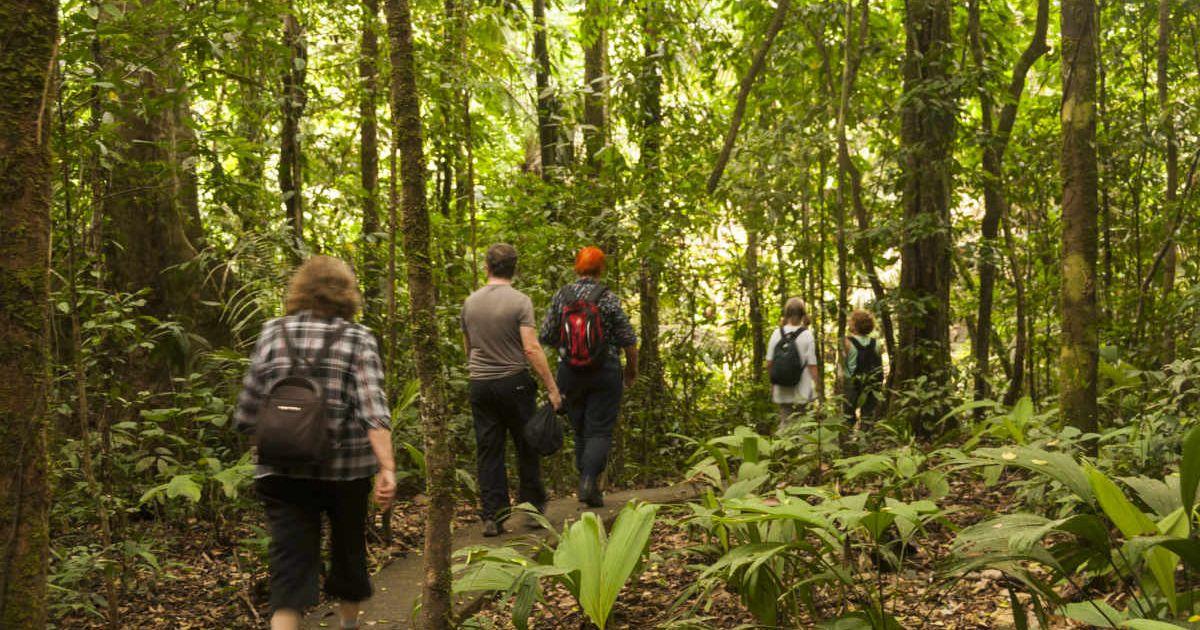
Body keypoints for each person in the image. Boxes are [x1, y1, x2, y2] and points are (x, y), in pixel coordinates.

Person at [233, 256, 396, 630]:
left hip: (281, 470)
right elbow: (373, 409)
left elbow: (246, 412)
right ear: (347, 295)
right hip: (346, 473)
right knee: (348, 554)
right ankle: (348, 625)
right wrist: (387, 467)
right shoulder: (358, 338)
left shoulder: (273, 332)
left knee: (289, 571)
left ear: (300, 290)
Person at [461, 244, 562, 536]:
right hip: (514, 382)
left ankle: (493, 515)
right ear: (514, 268)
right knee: (526, 443)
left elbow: (469, 347)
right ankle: (531, 509)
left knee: (489, 449)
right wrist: (552, 388)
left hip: (480, 383)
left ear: (486, 267)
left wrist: (481, 369)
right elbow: (530, 347)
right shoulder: (520, 302)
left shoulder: (470, 303)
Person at [539, 246, 638, 507]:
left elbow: (546, 334)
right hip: (605, 370)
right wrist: (631, 370)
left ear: (576, 267)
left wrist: (569, 347)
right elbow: (628, 338)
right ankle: (588, 480)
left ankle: (587, 483)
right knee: (600, 430)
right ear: (601, 268)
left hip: (569, 372)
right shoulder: (607, 297)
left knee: (581, 429)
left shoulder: (563, 295)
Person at [766, 297, 820, 426]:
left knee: (785, 421)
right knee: (803, 423)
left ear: (786, 313)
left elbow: (769, 363)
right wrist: (817, 385)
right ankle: (800, 445)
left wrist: (773, 384)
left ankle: (784, 445)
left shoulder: (776, 333)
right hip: (802, 387)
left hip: (782, 386)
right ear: (803, 314)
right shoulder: (807, 335)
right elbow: (812, 365)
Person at [843, 309, 884, 427]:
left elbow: (842, 364)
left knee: (848, 415)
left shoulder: (847, 342)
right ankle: (865, 439)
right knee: (868, 415)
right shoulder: (876, 343)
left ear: (855, 325)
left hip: (852, 383)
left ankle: (848, 440)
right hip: (871, 384)